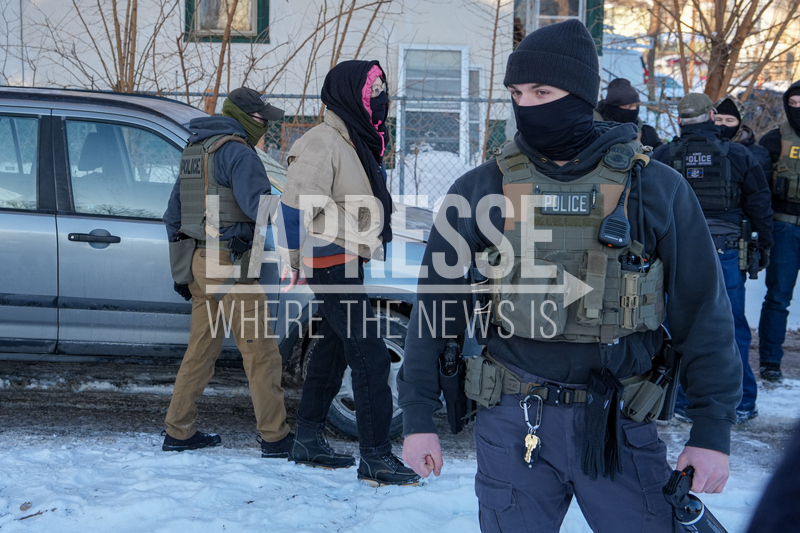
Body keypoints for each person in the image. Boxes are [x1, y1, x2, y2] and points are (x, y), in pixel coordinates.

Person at [398, 20, 741, 532]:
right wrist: (417, 417)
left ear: (580, 95)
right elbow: (435, 309)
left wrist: (712, 430)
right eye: (516, 93)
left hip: (620, 422)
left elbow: (704, 313)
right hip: (513, 420)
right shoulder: (480, 188)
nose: (526, 105)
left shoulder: (656, 188)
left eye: (542, 92)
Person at [278, 60, 419, 486]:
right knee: (370, 356)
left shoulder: (353, 139)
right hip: (327, 260)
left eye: (381, 88)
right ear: (347, 93)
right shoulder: (323, 142)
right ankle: (375, 457)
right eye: (371, 89)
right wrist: (292, 260)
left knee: (333, 350)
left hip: (346, 259)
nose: (380, 96)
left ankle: (306, 438)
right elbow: (293, 205)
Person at [162, 87, 292, 457]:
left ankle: (178, 430)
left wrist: (182, 272)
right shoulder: (239, 152)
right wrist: (295, 208)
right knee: (262, 353)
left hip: (200, 263)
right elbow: (259, 208)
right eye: (261, 118)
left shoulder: (195, 150)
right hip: (231, 266)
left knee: (200, 351)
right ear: (241, 116)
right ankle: (276, 438)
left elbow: (173, 216)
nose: (265, 125)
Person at [652, 93, 773, 424]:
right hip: (725, 248)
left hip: (676, 251)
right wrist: (764, 245)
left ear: (680, 120)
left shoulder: (663, 155)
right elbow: (759, 204)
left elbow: (647, 206)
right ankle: (741, 402)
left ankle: (681, 401)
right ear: (711, 116)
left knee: (675, 327)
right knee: (730, 327)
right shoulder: (738, 154)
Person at [757, 80, 800, 383]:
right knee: (778, 297)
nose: (797, 109)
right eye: (793, 104)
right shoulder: (773, 140)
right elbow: (758, 190)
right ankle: (770, 361)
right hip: (784, 227)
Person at [714, 94, 773, 179]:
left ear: (740, 123)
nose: (723, 124)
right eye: (718, 119)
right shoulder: (702, 147)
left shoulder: (758, 154)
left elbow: (762, 184)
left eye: (730, 120)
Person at [594, 78, 662, 149]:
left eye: (636, 106)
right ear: (614, 107)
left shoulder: (647, 133)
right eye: (629, 106)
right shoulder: (595, 129)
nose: (634, 109)